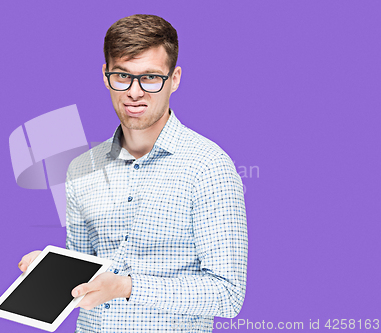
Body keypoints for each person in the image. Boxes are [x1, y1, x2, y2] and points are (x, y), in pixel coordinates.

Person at [18, 14, 248, 332]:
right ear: (105, 75)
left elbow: (228, 294)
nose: (135, 93)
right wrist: (50, 272)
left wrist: (128, 287)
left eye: (151, 78)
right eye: (122, 77)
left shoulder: (208, 167)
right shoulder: (82, 169)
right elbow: (84, 276)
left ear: (175, 78)